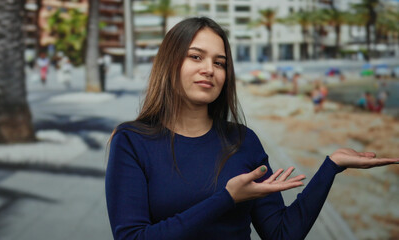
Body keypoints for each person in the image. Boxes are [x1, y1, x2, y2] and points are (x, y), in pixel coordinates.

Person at [105, 17, 398, 240]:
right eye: (196, 57)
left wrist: (331, 167)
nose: (209, 69)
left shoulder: (242, 140)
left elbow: (282, 233)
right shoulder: (132, 141)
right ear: (169, 64)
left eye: (220, 63)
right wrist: (227, 198)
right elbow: (132, 237)